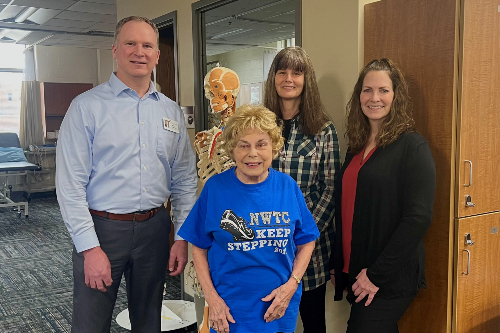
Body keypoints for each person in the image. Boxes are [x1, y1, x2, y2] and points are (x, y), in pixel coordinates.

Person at [55, 16, 197, 333]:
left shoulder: (171, 111)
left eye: (147, 45)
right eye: (131, 44)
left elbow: (185, 181)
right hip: (102, 229)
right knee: (91, 324)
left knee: (149, 322)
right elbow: (70, 187)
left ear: (157, 55)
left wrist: (182, 237)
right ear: (115, 50)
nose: (139, 52)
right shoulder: (86, 107)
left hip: (155, 229)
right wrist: (89, 249)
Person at [178, 104, 319, 333]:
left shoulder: (288, 188)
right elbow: (198, 248)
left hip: (278, 307)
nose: (252, 153)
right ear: (233, 150)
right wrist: (212, 300)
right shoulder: (215, 189)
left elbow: (307, 241)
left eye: (261, 144)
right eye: (244, 145)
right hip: (230, 312)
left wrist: (291, 286)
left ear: (273, 147)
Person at [330, 58, 436, 333]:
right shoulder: (356, 146)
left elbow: (418, 218)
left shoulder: (412, 146)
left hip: (388, 276)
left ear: (395, 96)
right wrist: (338, 261)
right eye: (367, 90)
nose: (374, 98)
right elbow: (347, 207)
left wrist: (375, 275)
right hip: (356, 270)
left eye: (383, 90)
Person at [264, 46, 340, 332]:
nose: (289, 79)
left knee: (312, 322)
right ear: (273, 78)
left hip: (309, 248)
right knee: (268, 319)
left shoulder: (323, 129)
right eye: (282, 72)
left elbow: (330, 190)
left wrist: (300, 233)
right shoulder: (261, 125)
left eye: (296, 72)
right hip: (265, 242)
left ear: (306, 79)